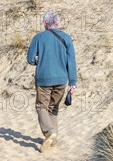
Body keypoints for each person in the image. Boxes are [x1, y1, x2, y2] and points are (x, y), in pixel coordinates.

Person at [27, 12, 77, 152]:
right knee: (53, 108)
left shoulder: (38, 37)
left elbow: (30, 59)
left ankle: (49, 133)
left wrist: (38, 59)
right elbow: (71, 62)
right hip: (61, 79)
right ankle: (53, 140)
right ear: (58, 23)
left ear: (45, 23)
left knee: (41, 107)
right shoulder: (67, 38)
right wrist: (73, 83)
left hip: (43, 78)